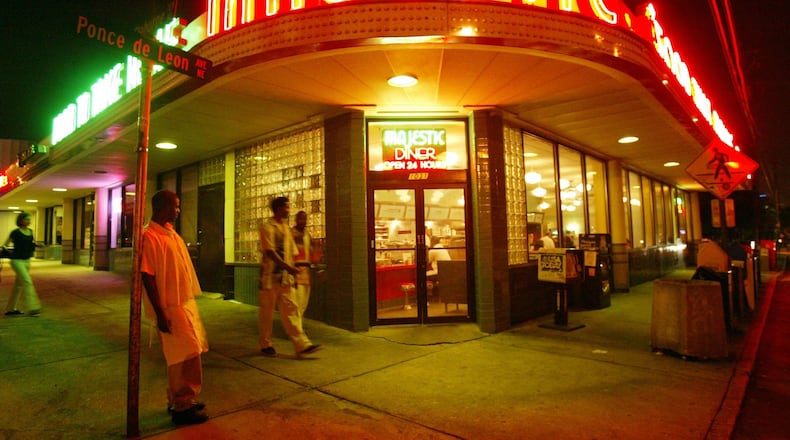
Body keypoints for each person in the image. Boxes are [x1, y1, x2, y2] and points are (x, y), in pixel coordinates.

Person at [140, 190, 209, 426]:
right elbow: (147, 276)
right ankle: (182, 405)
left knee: (189, 351)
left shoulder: (169, 232)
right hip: (170, 307)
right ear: (162, 207)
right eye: (175, 206)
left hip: (184, 303)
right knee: (183, 354)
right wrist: (160, 312)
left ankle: (182, 399)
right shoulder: (150, 236)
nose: (178, 211)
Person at [259, 197, 320, 357]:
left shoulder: (286, 229)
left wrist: (292, 272)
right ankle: (265, 343)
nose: (288, 210)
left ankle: (302, 344)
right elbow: (270, 252)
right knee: (267, 313)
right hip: (269, 279)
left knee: (291, 310)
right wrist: (289, 268)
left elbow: (292, 254)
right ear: (278, 208)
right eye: (286, 207)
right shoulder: (267, 227)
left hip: (286, 279)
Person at [3, 212, 41, 316]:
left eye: (29, 219)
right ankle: (33, 307)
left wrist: (37, 245)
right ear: (21, 220)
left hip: (26, 261)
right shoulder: (15, 232)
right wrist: (10, 254)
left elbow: (31, 245)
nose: (29, 221)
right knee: (27, 281)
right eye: (26, 219)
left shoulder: (30, 232)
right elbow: (5, 245)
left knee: (18, 286)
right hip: (17, 261)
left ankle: (10, 309)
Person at [291, 210, 316, 318]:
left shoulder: (307, 235)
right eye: (301, 219)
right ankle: (296, 329)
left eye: (305, 219)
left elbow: (311, 255)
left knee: (304, 303)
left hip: (306, 273)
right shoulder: (291, 234)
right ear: (296, 220)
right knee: (298, 302)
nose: (303, 221)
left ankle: (297, 327)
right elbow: (289, 255)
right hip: (296, 272)